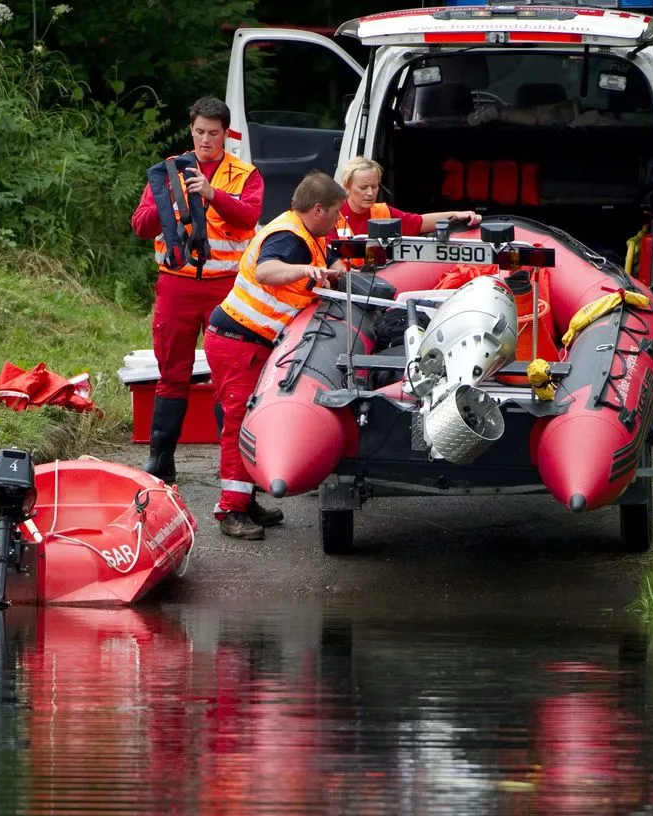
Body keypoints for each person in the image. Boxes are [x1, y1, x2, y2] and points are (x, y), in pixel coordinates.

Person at [205, 171, 348, 540]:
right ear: (318, 209)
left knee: (248, 419)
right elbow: (269, 271)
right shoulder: (288, 239)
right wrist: (306, 271)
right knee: (238, 424)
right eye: (334, 212)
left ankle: (245, 499)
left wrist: (332, 270)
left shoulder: (306, 233)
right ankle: (230, 511)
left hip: (250, 342)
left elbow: (332, 259)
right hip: (239, 341)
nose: (336, 219)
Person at [131, 96, 264, 484]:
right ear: (191, 130)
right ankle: (160, 461)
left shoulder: (245, 174)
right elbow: (141, 226)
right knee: (172, 373)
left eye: (214, 133)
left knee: (230, 379)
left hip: (228, 288)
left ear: (226, 135)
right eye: (200, 132)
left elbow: (249, 217)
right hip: (177, 285)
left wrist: (211, 193)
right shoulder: (167, 170)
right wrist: (165, 199)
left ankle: (236, 470)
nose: (206, 139)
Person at [335, 156, 481, 244]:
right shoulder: (333, 215)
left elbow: (420, 222)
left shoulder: (383, 211)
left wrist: (457, 214)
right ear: (347, 186)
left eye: (374, 186)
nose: (370, 193)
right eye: (363, 187)